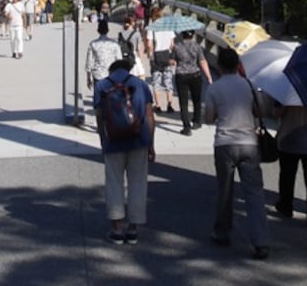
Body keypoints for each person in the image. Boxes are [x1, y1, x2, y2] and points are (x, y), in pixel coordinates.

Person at [203, 47, 270, 259]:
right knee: (254, 192)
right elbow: (261, 112)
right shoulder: (249, 85)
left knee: (225, 190)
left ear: (220, 66)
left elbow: (208, 118)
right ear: (237, 64)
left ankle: (222, 232)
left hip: (225, 142)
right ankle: (261, 241)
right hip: (249, 142)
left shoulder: (214, 88)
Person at [92, 59, 155, 245]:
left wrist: (103, 140)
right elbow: (150, 116)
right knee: (138, 183)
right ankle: (133, 228)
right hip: (138, 140)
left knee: (114, 183)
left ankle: (117, 228)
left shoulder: (102, 85)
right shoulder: (141, 84)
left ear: (111, 70)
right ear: (129, 69)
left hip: (113, 142)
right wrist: (150, 144)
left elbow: (100, 118)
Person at [272, 101, 307, 227]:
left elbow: (278, 113)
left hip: (290, 136)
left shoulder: (287, 90)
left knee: (287, 176)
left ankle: (286, 206)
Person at [170, 29, 212, 135]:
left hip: (181, 75)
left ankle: (186, 127)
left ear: (182, 35)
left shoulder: (177, 46)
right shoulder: (197, 46)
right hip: (195, 75)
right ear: (193, 35)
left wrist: (172, 53)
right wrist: (209, 77)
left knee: (183, 102)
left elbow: (172, 61)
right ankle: (196, 121)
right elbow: (202, 61)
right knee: (196, 99)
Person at [85, 22, 124, 117]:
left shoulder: (93, 44)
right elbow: (119, 61)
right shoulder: (114, 44)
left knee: (98, 99)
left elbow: (89, 62)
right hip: (112, 75)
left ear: (98, 30)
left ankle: (99, 120)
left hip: (98, 74)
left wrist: (88, 77)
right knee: (112, 98)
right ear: (108, 30)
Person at [147, 10, 176, 113]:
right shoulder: (168, 26)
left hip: (156, 56)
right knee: (168, 82)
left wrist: (150, 56)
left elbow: (150, 45)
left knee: (156, 82)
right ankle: (169, 105)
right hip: (167, 56)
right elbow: (172, 44)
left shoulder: (152, 28)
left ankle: (158, 105)